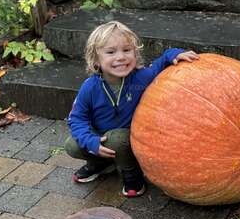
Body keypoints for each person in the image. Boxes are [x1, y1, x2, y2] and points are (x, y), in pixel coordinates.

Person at [65, 21, 199, 197]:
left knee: (119, 139)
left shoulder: (142, 77)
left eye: (127, 50)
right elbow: (76, 118)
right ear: (96, 59)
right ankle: (99, 164)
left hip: (130, 138)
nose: (121, 57)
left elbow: (162, 61)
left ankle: (132, 174)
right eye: (111, 52)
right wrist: (91, 141)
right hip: (101, 135)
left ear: (135, 53)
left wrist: (176, 54)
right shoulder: (89, 87)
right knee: (72, 145)